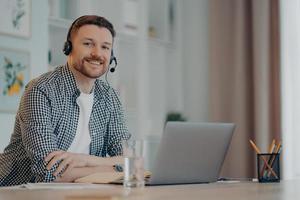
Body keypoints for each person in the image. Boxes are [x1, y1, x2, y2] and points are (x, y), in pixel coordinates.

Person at [0, 15, 130, 186]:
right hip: (20, 192)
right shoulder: (41, 90)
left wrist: (83, 160)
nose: (97, 53)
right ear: (68, 47)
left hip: (81, 192)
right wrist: (110, 167)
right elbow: (48, 172)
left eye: (105, 47)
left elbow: (129, 159)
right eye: (88, 44)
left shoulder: (109, 97)